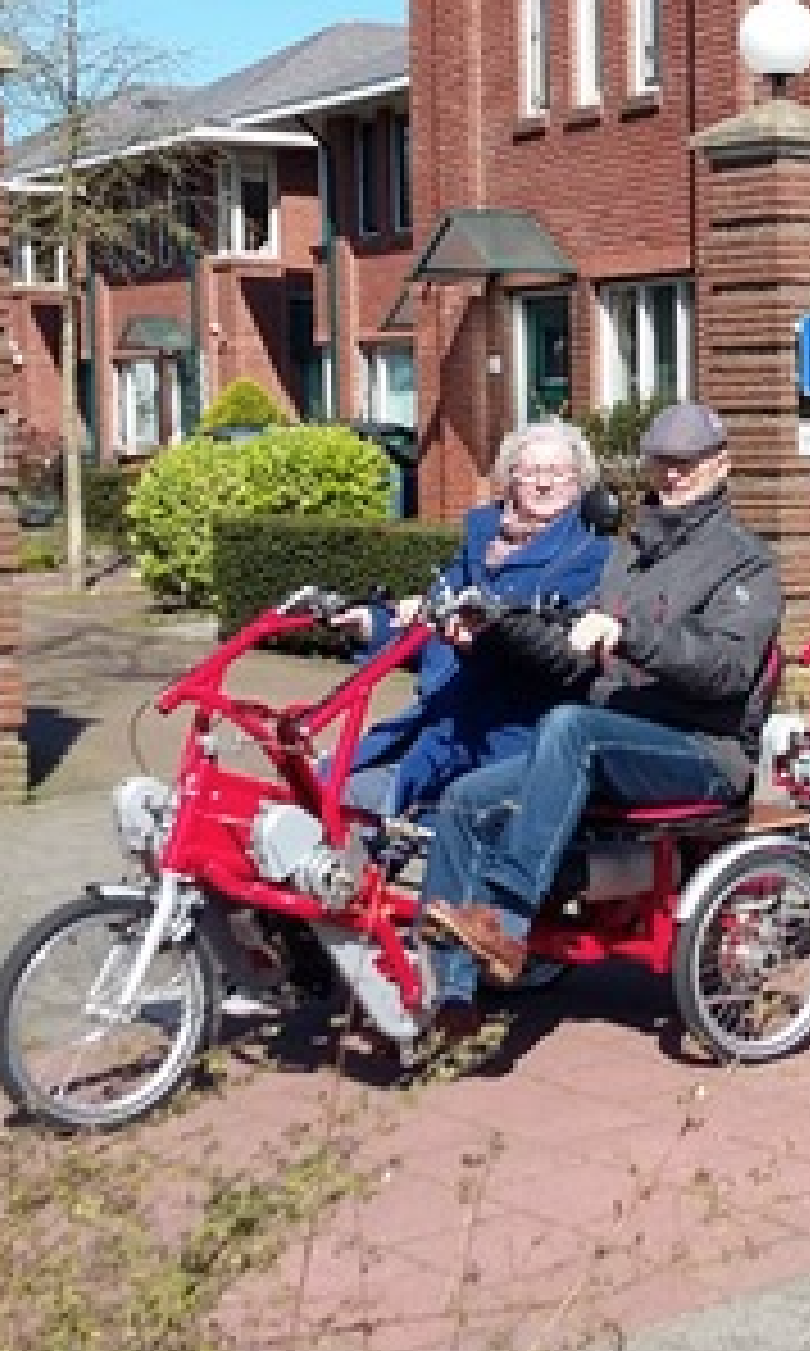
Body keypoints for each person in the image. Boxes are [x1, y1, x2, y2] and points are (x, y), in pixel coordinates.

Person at [415, 401, 784, 1043]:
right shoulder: (631, 553)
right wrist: (498, 627)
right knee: (466, 799)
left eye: (687, 464)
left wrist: (630, 634)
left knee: (570, 726)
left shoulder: (746, 562)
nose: (672, 476)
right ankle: (451, 993)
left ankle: (508, 919)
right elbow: (568, 654)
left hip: (704, 749)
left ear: (720, 466)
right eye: (661, 463)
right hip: (617, 738)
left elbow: (726, 670)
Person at [332, 421, 612, 820]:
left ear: (580, 483)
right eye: (531, 472)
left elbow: (559, 654)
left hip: (513, 731)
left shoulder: (589, 556)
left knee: (398, 817)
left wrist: (485, 633)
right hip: (444, 718)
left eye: (558, 474)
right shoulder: (481, 543)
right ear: (510, 479)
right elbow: (432, 617)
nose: (544, 485)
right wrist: (372, 625)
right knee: (329, 784)